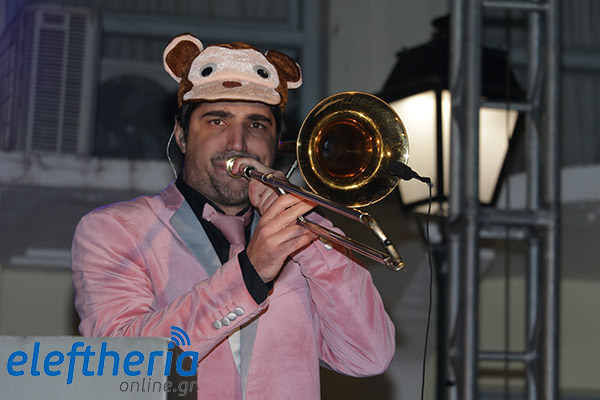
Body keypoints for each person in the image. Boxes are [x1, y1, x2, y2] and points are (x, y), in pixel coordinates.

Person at [71, 33, 395, 399]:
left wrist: (304, 220)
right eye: (217, 121)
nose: (238, 143)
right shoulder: (113, 230)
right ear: (181, 135)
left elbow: (369, 356)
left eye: (256, 125)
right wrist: (250, 273)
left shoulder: (307, 239)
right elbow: (122, 366)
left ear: (275, 142)